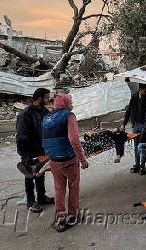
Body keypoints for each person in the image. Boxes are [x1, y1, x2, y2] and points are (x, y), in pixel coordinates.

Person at [42, 94, 89, 232]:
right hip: (68, 159)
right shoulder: (69, 116)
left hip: (54, 160)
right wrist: (82, 159)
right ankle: (73, 216)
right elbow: (74, 140)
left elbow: (45, 139)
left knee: (59, 189)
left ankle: (61, 219)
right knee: (73, 187)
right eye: (71, 101)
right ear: (66, 103)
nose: (72, 104)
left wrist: (50, 159)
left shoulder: (47, 118)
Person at [16, 88, 54, 213]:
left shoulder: (43, 111)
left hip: (41, 149)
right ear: (39, 98)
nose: (48, 100)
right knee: (29, 175)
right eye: (46, 97)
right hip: (30, 150)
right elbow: (21, 136)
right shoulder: (25, 114)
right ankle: (31, 202)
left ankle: (41, 197)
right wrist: (24, 154)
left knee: (40, 172)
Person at [119, 84, 146, 175]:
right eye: (145, 90)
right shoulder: (134, 97)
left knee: (143, 146)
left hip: (145, 126)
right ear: (140, 89)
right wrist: (123, 124)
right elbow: (128, 111)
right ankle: (137, 165)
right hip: (136, 125)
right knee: (136, 147)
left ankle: (143, 166)